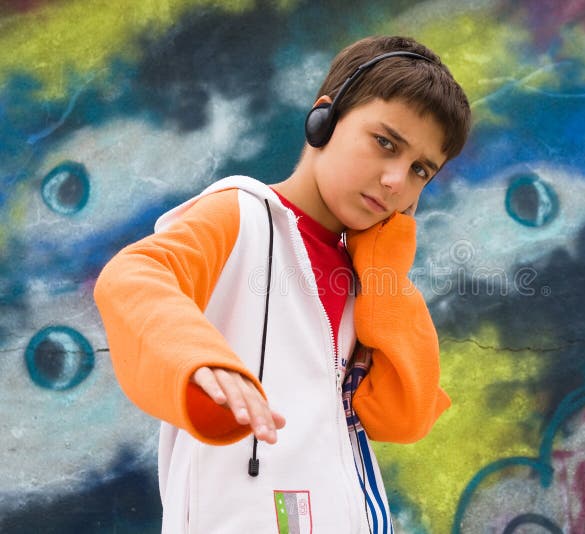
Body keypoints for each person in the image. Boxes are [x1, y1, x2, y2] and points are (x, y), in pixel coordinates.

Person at [94, 35, 471, 533]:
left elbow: (403, 415)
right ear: (325, 120)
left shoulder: (364, 271)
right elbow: (133, 276)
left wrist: (385, 262)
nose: (395, 181)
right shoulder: (241, 213)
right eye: (385, 143)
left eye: (420, 170)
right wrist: (199, 357)